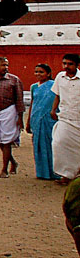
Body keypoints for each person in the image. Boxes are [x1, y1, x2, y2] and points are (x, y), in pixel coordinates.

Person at [31, 64, 60, 180]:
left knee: (51, 145)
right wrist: (28, 122)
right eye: (36, 72)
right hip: (36, 119)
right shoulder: (34, 87)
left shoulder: (54, 86)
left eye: (41, 72)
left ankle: (54, 172)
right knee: (38, 145)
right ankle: (42, 172)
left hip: (49, 120)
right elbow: (33, 103)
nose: (38, 74)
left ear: (48, 74)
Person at [55, 54, 80, 185]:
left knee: (78, 148)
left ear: (77, 65)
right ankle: (65, 174)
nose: (66, 66)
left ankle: (75, 175)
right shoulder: (60, 77)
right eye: (64, 63)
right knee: (59, 143)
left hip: (78, 117)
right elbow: (57, 95)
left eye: (70, 64)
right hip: (64, 117)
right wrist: (53, 110)